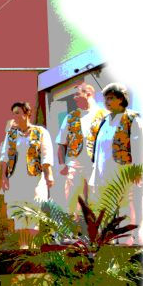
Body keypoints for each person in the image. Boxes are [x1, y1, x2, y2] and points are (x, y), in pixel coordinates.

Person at [88, 83, 143, 244]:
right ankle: (109, 242)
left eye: (111, 98)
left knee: (125, 206)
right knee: (105, 208)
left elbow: (139, 147)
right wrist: (95, 174)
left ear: (121, 99)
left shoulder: (132, 119)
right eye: (105, 99)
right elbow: (98, 149)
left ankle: (127, 242)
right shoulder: (104, 121)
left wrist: (137, 171)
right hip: (103, 173)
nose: (107, 102)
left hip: (123, 172)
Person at [0, 101, 55, 248]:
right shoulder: (11, 134)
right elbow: (4, 156)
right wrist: (4, 177)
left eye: (18, 113)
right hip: (16, 179)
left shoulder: (40, 132)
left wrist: (49, 174)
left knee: (33, 213)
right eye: (13, 114)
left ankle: (33, 248)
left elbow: (46, 154)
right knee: (19, 215)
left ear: (27, 113)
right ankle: (23, 248)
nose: (15, 116)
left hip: (34, 179)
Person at [55, 83, 108, 213]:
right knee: (72, 201)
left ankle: (98, 226)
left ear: (88, 94)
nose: (74, 97)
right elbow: (61, 143)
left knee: (97, 200)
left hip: (96, 165)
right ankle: (73, 225)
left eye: (77, 94)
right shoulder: (70, 117)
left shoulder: (105, 115)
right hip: (75, 164)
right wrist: (62, 164)